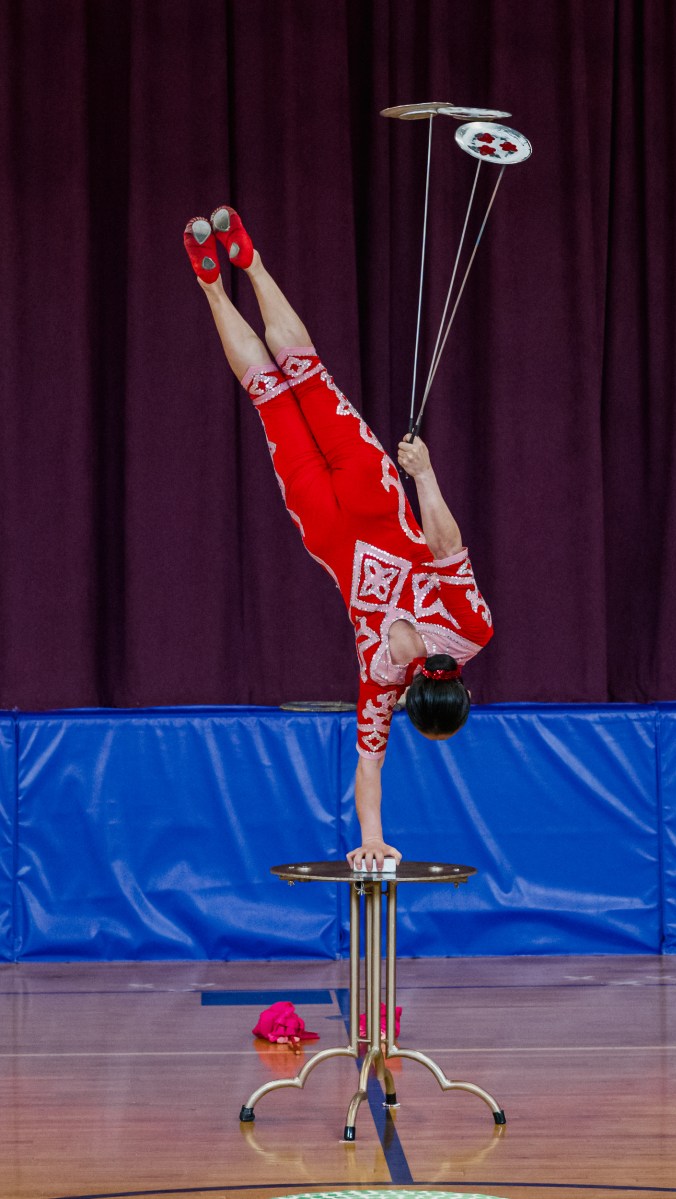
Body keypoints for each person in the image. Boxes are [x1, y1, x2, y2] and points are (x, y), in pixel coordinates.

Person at [184, 207, 493, 869]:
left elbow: (447, 545)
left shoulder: (470, 633)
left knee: (303, 374)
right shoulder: (382, 684)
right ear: (413, 700)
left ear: (463, 688)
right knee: (268, 393)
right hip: (325, 527)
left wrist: (424, 475)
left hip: (372, 499)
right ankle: (211, 283)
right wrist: (371, 838)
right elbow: (369, 767)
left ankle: (247, 261)